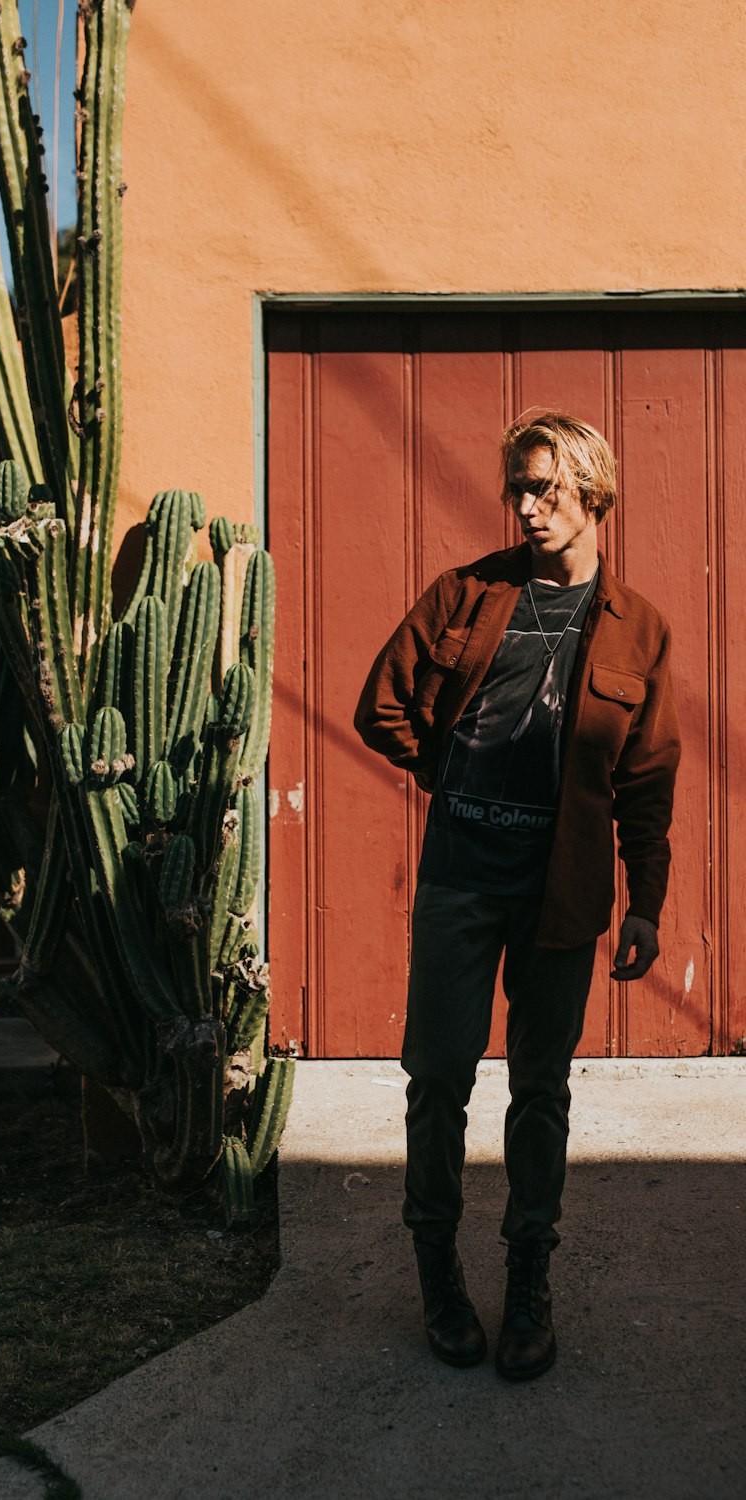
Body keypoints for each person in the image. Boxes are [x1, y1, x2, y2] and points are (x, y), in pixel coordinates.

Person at [353, 411, 679, 1381]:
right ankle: (439, 1277)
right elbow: (382, 703)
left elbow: (646, 783)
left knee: (539, 1089)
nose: (529, 508)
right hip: (460, 876)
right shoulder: (465, 595)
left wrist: (645, 903)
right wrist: (449, 781)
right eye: (519, 491)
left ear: (593, 493)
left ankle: (528, 1283)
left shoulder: (638, 628)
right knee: (437, 1078)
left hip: (561, 889)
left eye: (546, 489)